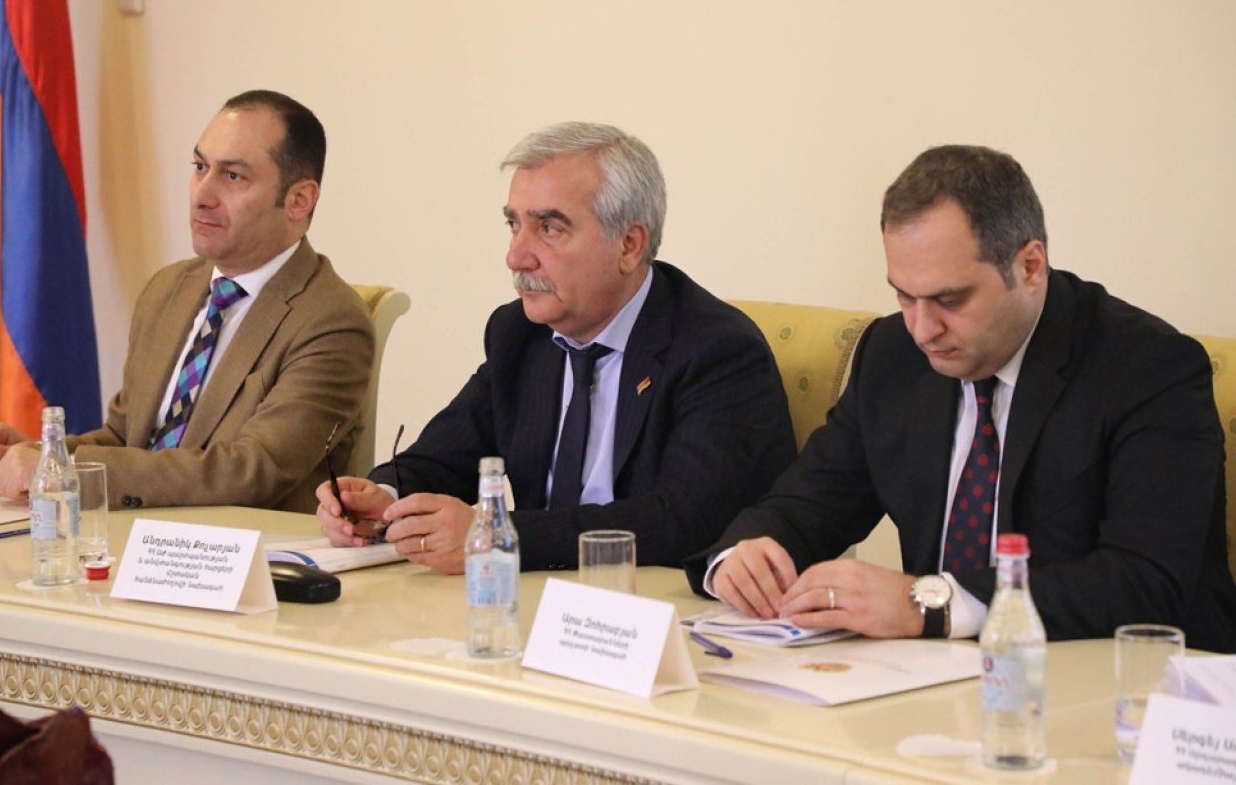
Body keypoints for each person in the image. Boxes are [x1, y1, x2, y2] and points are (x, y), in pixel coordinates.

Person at [687, 144, 1236, 653]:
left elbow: (1145, 581)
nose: (923, 329)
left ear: (1029, 267)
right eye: (904, 296)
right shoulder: (892, 354)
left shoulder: (1148, 369)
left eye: (949, 300)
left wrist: (931, 603)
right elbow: (812, 502)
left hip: (1119, 683)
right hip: (935, 680)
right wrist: (748, 554)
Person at [317, 121, 795, 573]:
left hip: (657, 609)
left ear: (629, 245)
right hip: (538, 603)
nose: (516, 256)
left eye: (549, 228)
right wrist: (382, 497)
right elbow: (442, 459)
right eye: (514, 225)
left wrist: (497, 537)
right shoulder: (520, 334)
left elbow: (681, 521)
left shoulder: (716, 350)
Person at [0, 90, 373, 515]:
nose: (202, 194)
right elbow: (127, 439)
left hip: (242, 548)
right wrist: (44, 456)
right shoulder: (168, 289)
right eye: (200, 167)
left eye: (233, 176)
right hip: (134, 538)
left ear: (299, 200)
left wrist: (67, 470)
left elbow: (253, 471)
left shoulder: (332, 322)